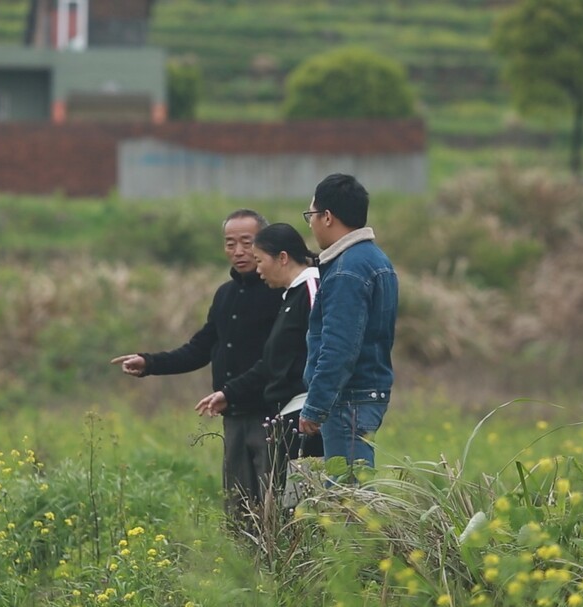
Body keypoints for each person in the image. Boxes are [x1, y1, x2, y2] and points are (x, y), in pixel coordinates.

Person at [110, 209, 283, 523]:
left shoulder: (282, 292)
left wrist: (231, 391)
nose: (239, 251)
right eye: (230, 244)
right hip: (233, 415)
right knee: (238, 509)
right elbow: (200, 348)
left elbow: (278, 360)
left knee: (277, 504)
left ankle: (282, 568)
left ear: (265, 245)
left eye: (247, 242)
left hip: (272, 416)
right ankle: (244, 570)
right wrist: (149, 363)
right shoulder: (225, 295)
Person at [194, 223, 325, 492]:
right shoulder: (290, 296)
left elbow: (327, 349)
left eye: (260, 260)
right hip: (287, 417)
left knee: (306, 508)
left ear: (283, 258)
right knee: (284, 508)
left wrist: (317, 406)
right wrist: (229, 393)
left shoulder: (312, 288)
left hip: (306, 418)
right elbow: (271, 363)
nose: (258, 268)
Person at [299, 173, 398, 471]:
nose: (312, 223)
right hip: (367, 393)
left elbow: (339, 347)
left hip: (349, 399)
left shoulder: (346, 271)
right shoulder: (375, 259)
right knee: (354, 494)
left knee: (347, 498)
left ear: (327, 217)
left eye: (311, 215)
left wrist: (315, 406)